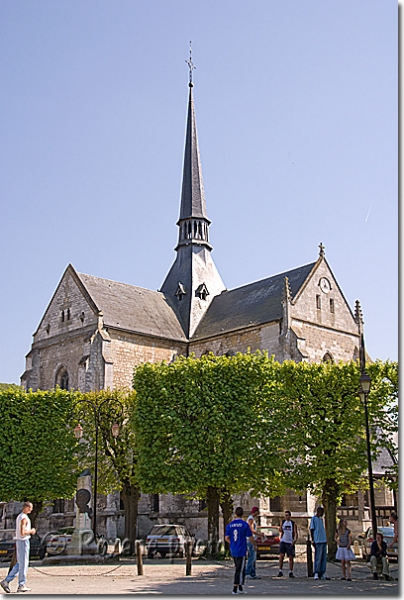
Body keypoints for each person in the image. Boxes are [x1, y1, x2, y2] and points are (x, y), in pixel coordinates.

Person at [1, 501, 36, 593]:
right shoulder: (23, 518)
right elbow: (22, 532)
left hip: (20, 541)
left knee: (20, 564)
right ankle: (21, 584)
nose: (32, 510)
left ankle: (6, 581)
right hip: (23, 541)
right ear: (27, 507)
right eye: (30, 508)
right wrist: (31, 531)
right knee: (23, 563)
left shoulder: (20, 517)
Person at [225, 506, 255, 595]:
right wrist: (254, 545)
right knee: (240, 569)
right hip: (241, 550)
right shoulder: (244, 525)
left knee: (239, 568)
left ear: (235, 514)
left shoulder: (230, 525)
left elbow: (227, 538)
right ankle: (235, 588)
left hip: (233, 549)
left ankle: (240, 587)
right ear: (242, 514)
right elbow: (250, 537)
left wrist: (232, 543)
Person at [310, 505, 329, 580]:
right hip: (318, 540)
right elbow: (311, 529)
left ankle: (322, 572)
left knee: (324, 557)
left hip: (323, 540)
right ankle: (316, 572)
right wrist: (313, 540)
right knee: (318, 557)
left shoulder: (321, 519)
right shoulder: (314, 519)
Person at [277, 510, 298, 578]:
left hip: (290, 542)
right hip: (283, 541)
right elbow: (281, 530)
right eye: (285, 515)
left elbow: (295, 533)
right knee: (281, 556)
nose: (286, 517)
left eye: (287, 515)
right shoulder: (283, 522)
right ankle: (280, 570)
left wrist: (294, 541)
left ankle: (290, 571)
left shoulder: (293, 523)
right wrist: (280, 536)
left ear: (290, 516)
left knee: (290, 557)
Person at [245, 506, 261, 580]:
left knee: (253, 557)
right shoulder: (251, 519)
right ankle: (248, 573)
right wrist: (259, 534)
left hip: (251, 539)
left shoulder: (251, 518)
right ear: (256, 512)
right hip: (250, 540)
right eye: (257, 512)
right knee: (252, 557)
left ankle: (253, 573)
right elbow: (251, 530)